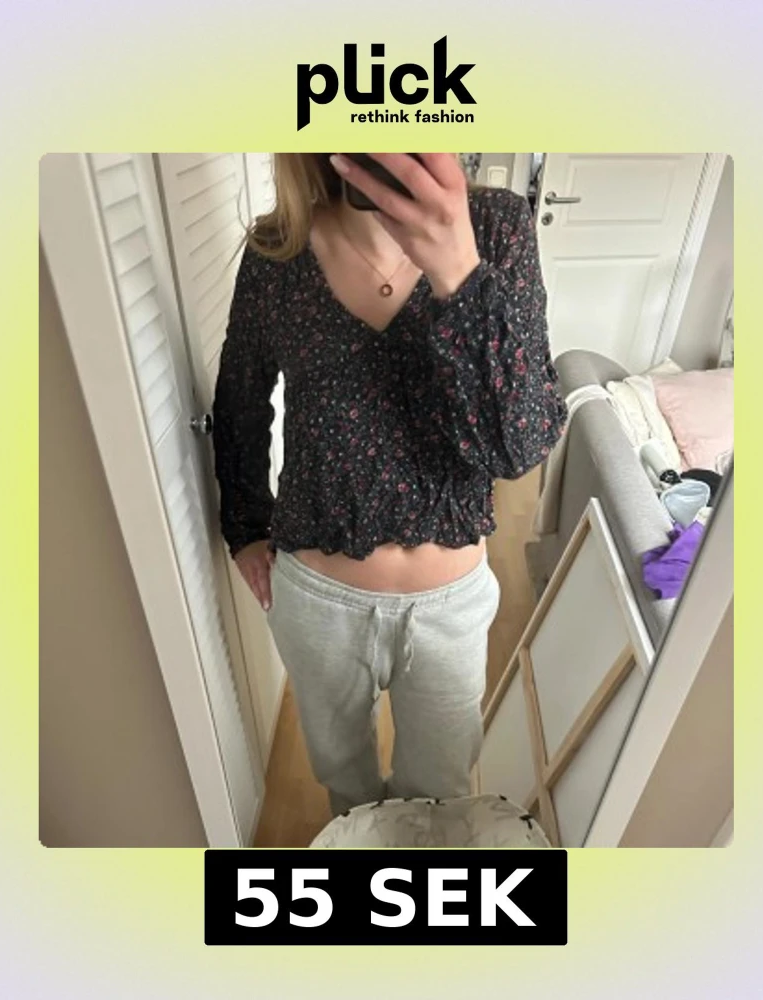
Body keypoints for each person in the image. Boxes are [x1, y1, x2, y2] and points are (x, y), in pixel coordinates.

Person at [212, 153, 567, 816]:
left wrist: (459, 272)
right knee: (345, 790)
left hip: (449, 608)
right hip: (317, 603)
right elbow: (240, 399)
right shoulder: (277, 250)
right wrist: (245, 527)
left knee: (440, 800)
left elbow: (518, 446)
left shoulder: (496, 228)